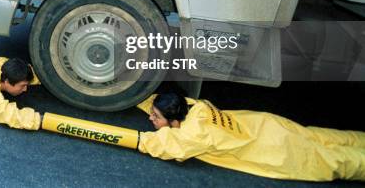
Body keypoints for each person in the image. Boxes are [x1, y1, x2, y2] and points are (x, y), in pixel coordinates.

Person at [137, 92, 365, 181]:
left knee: (337, 161)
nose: (151, 119)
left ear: (174, 121)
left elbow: (159, 145)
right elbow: (161, 102)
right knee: (328, 138)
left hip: (277, 152)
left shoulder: (191, 136)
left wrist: (150, 136)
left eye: (155, 117)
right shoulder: (196, 107)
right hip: (271, 127)